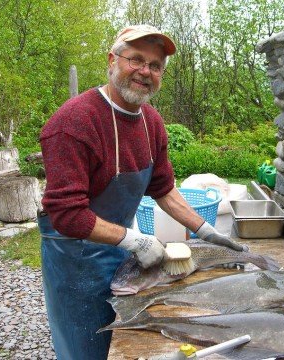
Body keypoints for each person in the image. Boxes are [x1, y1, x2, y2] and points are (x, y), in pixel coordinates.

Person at [38, 24, 245, 360]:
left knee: (126, 342)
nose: (145, 72)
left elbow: (163, 188)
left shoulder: (150, 121)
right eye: (136, 60)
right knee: (86, 347)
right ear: (112, 59)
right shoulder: (74, 123)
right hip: (74, 261)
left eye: (155, 66)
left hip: (121, 251)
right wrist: (136, 240)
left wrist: (205, 231)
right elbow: (67, 214)